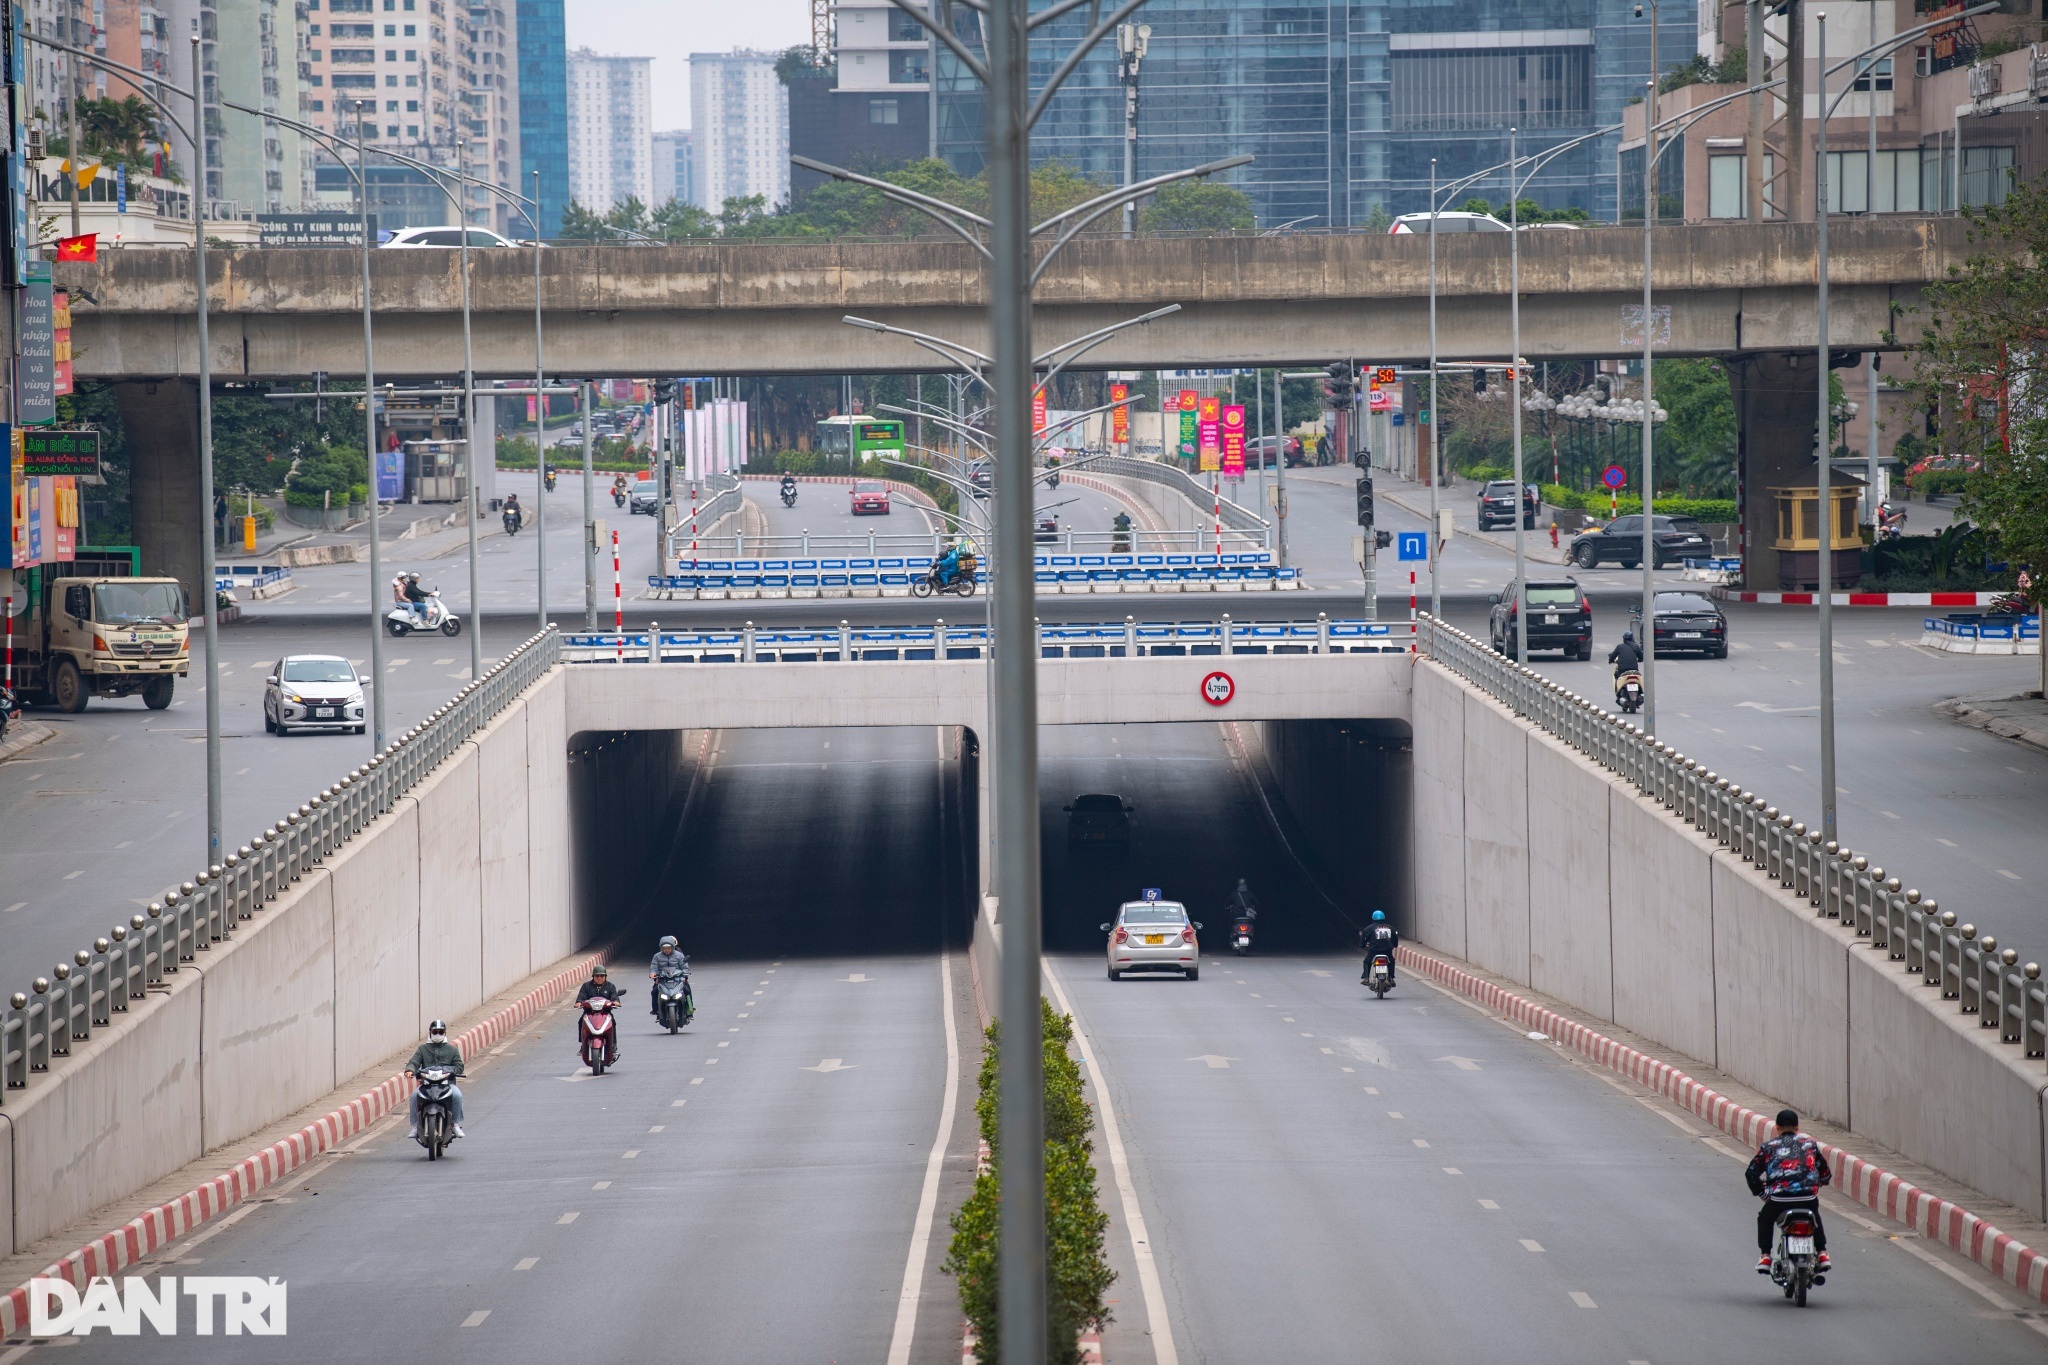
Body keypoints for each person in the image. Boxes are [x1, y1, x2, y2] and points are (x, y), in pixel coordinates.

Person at [1746, 1108, 1832, 1275]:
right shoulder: (1809, 1145)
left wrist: (1763, 1194)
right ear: (1797, 1127)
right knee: (1814, 1216)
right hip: (1807, 1197)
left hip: (1779, 1199)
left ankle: (1765, 1256)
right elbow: (1825, 1173)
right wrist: (1819, 1183)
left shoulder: (1769, 1147)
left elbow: (1751, 1173)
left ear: (1777, 1127)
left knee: (1764, 1219)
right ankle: (1822, 1253)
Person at [405, 1019, 465, 1140]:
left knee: (457, 1096)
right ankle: (416, 1126)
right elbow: (414, 1062)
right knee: (414, 1097)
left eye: (440, 1032)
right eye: (435, 1031)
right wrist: (410, 1070)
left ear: (444, 1033)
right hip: (426, 1085)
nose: (437, 1034)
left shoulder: (452, 1050)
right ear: (430, 1032)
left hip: (447, 1085)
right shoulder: (422, 1049)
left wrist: (450, 1071)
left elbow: (459, 1066)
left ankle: (455, 1124)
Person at [648, 936, 692, 1018]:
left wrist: (684, 977)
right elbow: (653, 967)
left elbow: (685, 967)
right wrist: (653, 974)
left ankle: (690, 1011)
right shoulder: (657, 956)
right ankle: (656, 1010)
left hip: (677, 979)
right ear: (661, 948)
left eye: (669, 948)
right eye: (665, 948)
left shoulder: (679, 955)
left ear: (672, 947)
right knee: (654, 991)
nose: (667, 950)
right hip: (662, 980)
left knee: (687, 990)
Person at [1361, 910, 1399, 985]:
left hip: (1374, 952)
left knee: (1367, 962)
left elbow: (1362, 943)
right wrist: (1394, 945)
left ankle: (1366, 978)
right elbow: (1395, 942)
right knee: (1391, 962)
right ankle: (1391, 978)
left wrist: (1363, 945)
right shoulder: (1390, 928)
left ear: (1373, 918)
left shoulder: (1368, 929)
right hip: (1387, 952)